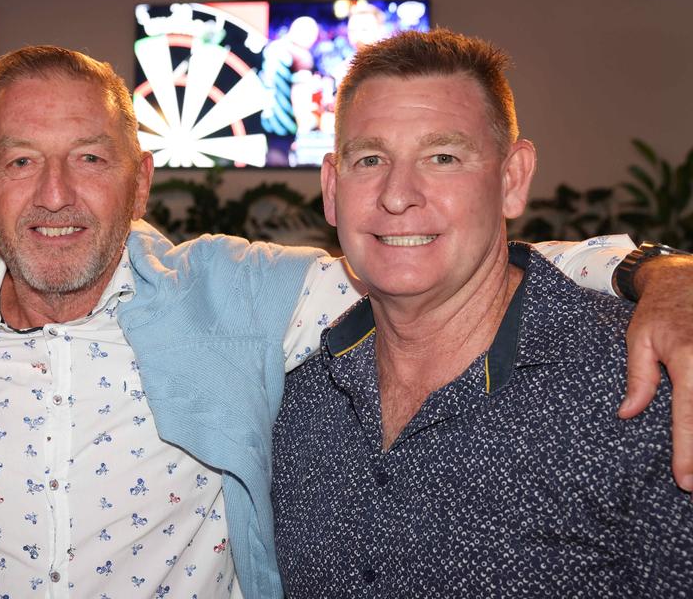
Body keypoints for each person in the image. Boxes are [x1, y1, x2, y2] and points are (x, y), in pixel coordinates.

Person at [0, 45, 693, 599]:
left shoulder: (248, 298)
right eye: (23, 163)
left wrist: (655, 269)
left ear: (138, 177)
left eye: (88, 159)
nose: (54, 197)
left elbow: (439, 254)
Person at [271, 29, 692, 595]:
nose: (398, 195)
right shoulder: (293, 391)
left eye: (442, 157)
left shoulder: (649, 384)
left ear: (512, 179)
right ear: (331, 188)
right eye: (370, 159)